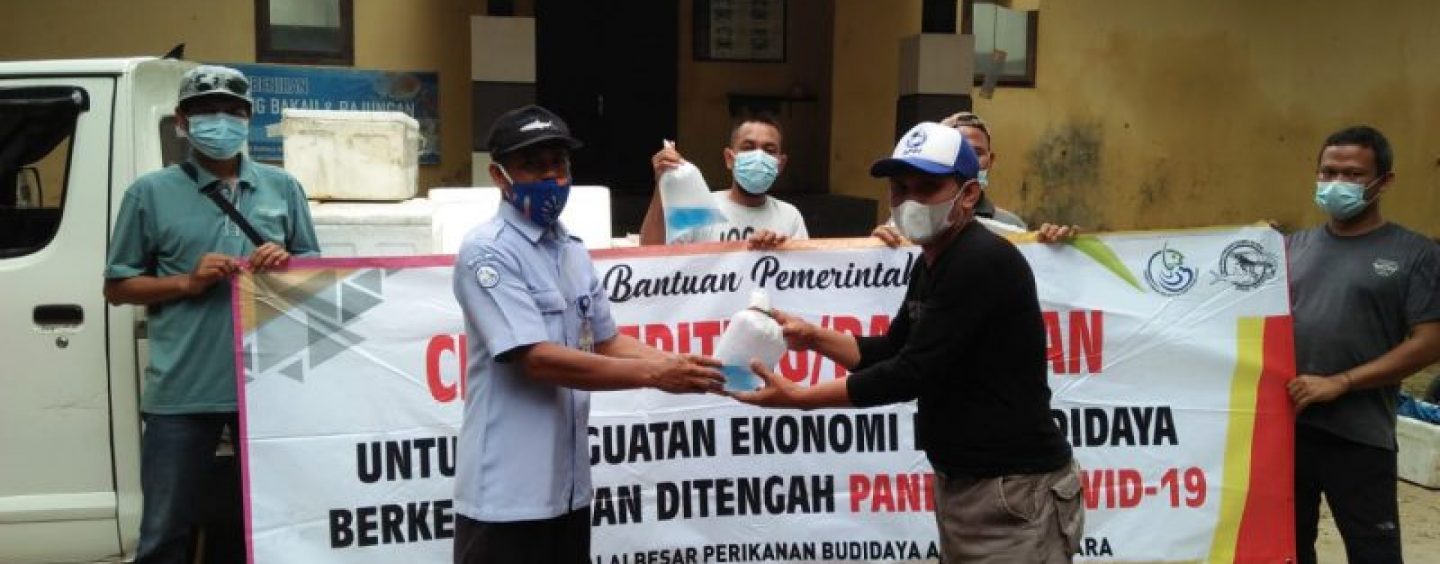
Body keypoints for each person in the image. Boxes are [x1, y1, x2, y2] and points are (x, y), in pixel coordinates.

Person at [734, 121, 1083, 563]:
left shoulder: (978, 261)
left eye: (928, 187)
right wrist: (813, 336)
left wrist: (800, 398)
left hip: (1013, 494)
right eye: (900, 188)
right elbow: (895, 347)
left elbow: (911, 373)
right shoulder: (934, 259)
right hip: (971, 488)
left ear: (969, 195)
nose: (910, 201)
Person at [451, 105, 725, 563]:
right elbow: (537, 358)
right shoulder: (487, 252)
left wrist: (683, 364)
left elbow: (605, 340)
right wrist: (656, 374)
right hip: (505, 496)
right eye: (533, 165)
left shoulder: (572, 250)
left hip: (568, 488)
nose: (551, 177)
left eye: (558, 163)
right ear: (499, 176)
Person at [104, 65, 320, 563]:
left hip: (270, 384)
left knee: (279, 527)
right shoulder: (149, 193)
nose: (219, 122)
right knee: (163, 534)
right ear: (182, 121)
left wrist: (284, 266)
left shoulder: (282, 188)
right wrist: (187, 282)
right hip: (182, 391)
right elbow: (116, 288)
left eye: (231, 111)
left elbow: (316, 273)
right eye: (204, 112)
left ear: (248, 119)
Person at [1286, 125, 1440, 564]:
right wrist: (1074, 249)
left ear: (1384, 181)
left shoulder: (1416, 254)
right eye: (1328, 172)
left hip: (1359, 435)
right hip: (1286, 429)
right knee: (1289, 548)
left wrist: (1342, 382)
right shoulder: (1291, 248)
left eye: (1352, 175)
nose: (1337, 184)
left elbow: (1430, 342)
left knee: (1373, 552)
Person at [873, 110, 1076, 245]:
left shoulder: (1012, 227)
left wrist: (1056, 250)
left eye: (976, 153)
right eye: (900, 188)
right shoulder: (901, 225)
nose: (913, 200)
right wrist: (872, 250)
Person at [640, 115, 806, 248]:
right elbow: (650, 253)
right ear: (729, 158)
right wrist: (662, 183)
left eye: (769, 150)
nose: (758, 157)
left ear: (780, 164)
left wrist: (780, 252)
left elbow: (803, 278)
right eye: (748, 147)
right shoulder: (698, 207)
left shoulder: (790, 217)